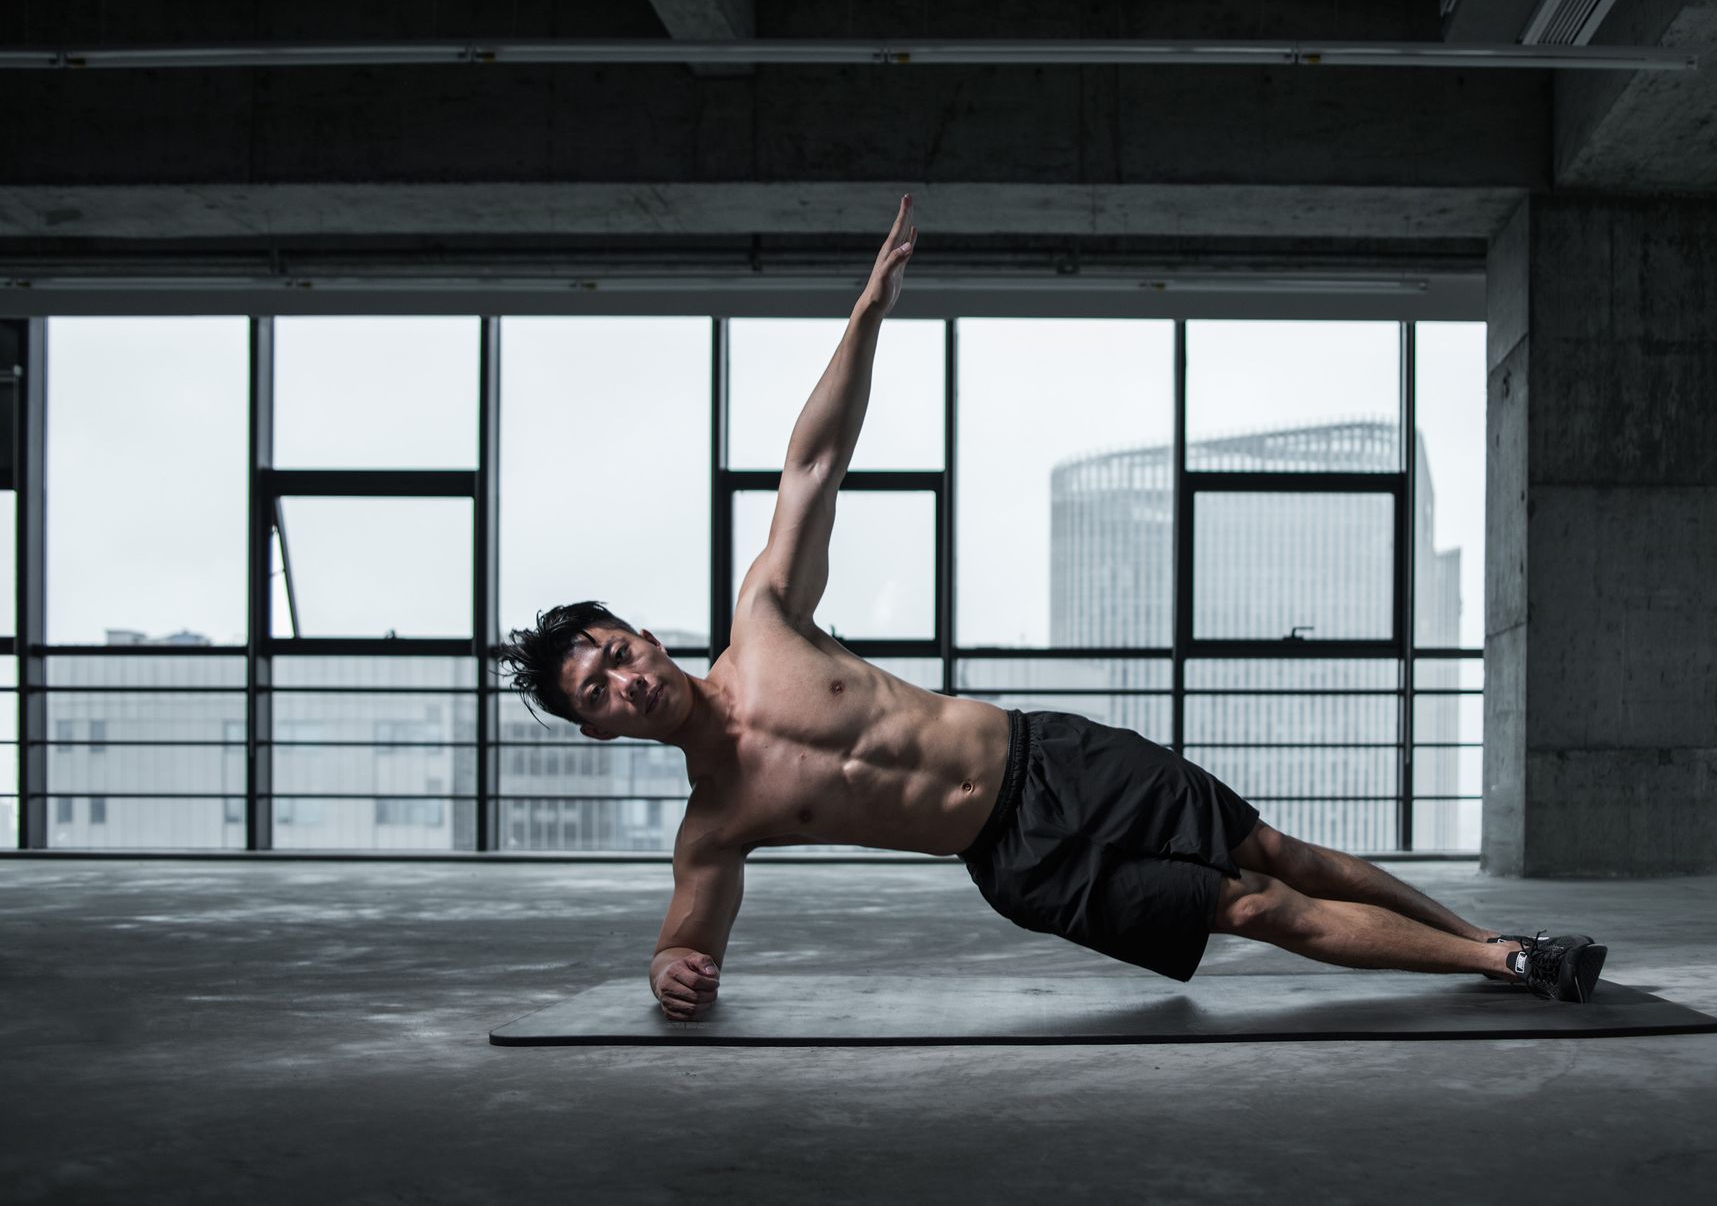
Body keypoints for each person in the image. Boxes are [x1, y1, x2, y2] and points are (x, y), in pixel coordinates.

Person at [499, 195, 1608, 1021]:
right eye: (598, 693)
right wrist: (664, 970)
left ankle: (1502, 945)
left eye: (612, 652)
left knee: (1276, 849)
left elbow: (812, 462)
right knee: (1249, 906)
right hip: (1019, 861)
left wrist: (869, 310)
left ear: (640, 633)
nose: (624, 680)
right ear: (600, 730)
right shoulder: (716, 822)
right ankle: (1504, 963)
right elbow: (688, 939)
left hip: (1052, 757)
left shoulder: (769, 621)